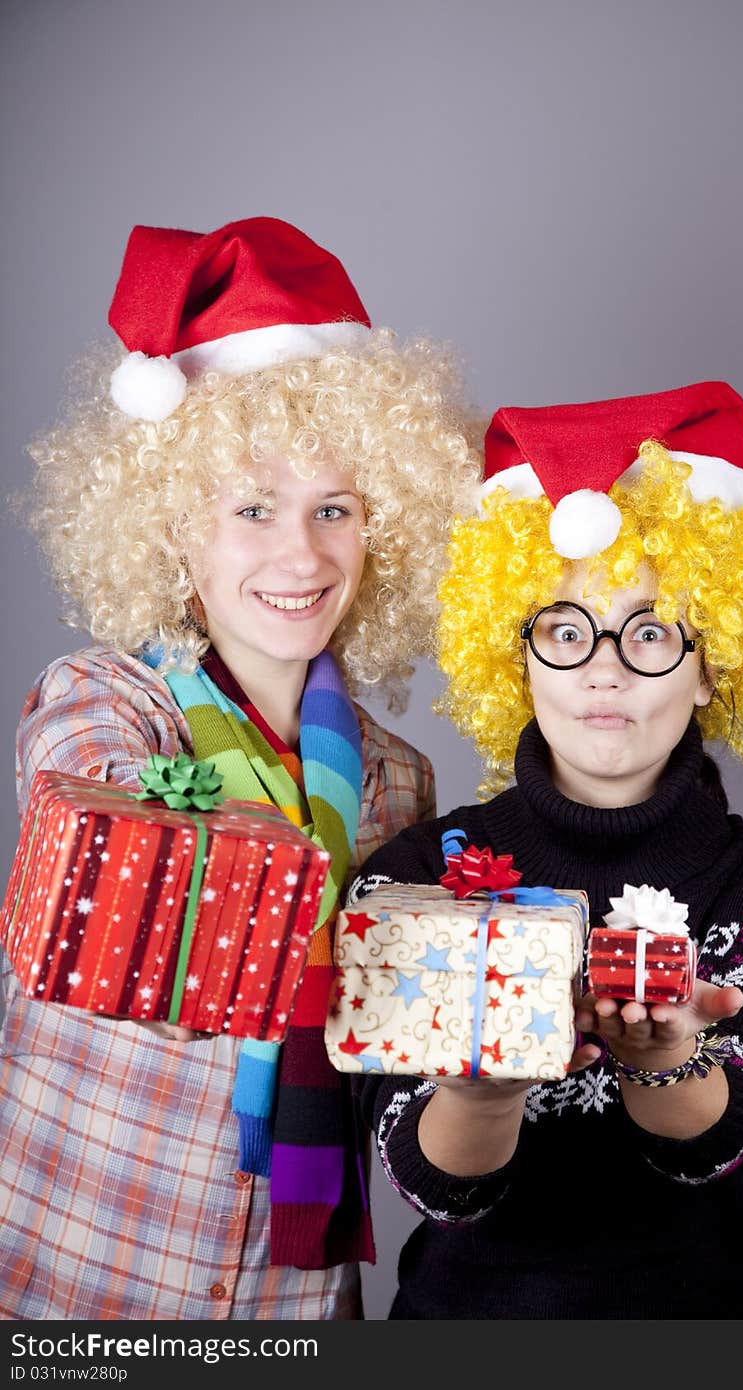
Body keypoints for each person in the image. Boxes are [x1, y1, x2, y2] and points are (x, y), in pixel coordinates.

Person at [0, 216, 480, 1319]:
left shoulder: (398, 781)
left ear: (380, 531)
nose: (300, 555)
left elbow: (396, 1054)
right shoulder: (106, 703)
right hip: (70, 1281)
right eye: (251, 508)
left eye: (336, 510)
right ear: (174, 524)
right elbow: (102, 828)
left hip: (292, 1298)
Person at [350, 381, 743, 1319]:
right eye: (565, 629)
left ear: (714, 666)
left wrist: (664, 1056)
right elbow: (428, 1179)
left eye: (653, 631)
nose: (605, 668)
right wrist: (486, 1093)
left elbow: (716, 1140)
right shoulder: (413, 879)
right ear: (519, 655)